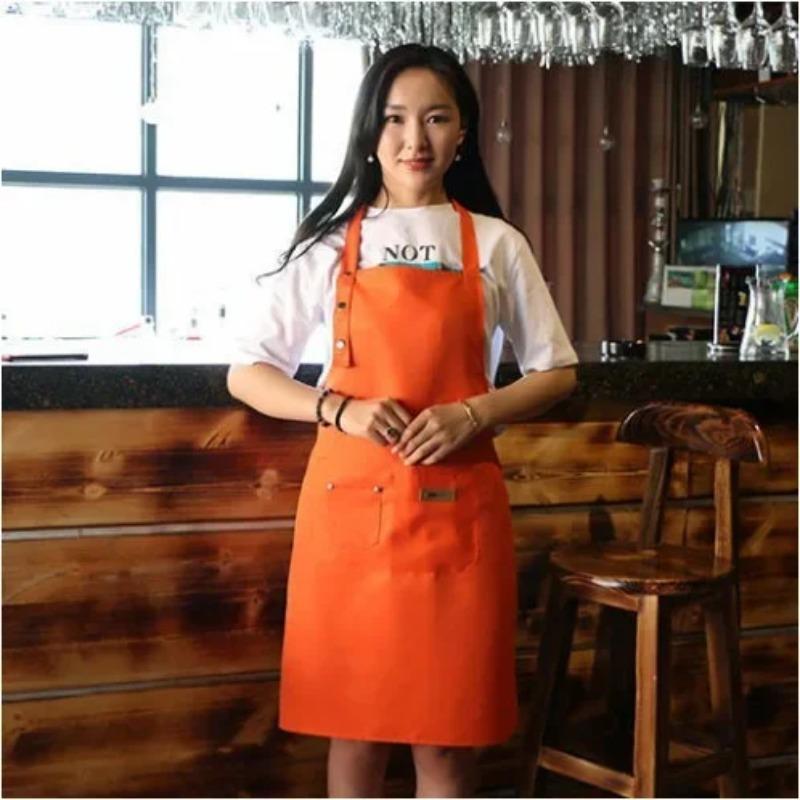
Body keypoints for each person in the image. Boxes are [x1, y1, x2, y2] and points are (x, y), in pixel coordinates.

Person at [227, 43, 578, 799]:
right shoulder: (328, 245)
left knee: (448, 743)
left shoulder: (497, 243)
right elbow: (248, 369)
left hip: (457, 514)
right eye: (394, 118)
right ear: (369, 131)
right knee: (354, 731)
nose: (414, 139)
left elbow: (557, 371)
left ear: (463, 134)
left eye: (435, 119)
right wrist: (337, 408)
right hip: (349, 516)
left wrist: (474, 412)